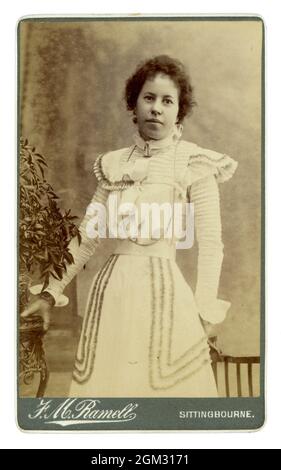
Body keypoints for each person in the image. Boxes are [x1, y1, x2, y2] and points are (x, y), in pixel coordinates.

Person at [21, 55, 238, 397]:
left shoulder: (195, 162)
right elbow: (88, 235)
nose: (156, 108)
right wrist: (50, 292)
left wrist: (204, 309)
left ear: (179, 112)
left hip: (167, 296)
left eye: (168, 101)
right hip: (112, 294)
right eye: (148, 98)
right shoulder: (114, 164)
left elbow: (211, 243)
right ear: (133, 105)